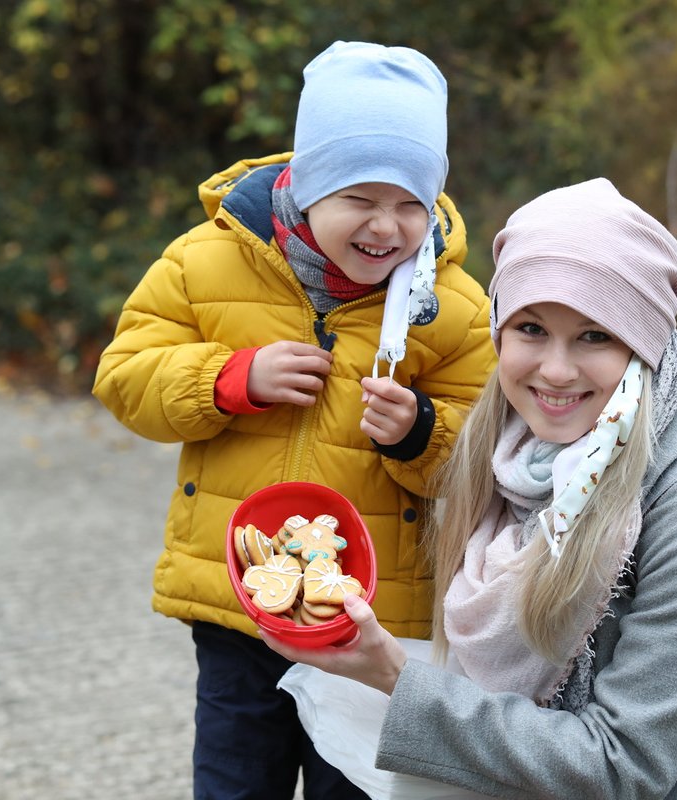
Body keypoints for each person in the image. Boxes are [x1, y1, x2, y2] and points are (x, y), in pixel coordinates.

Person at [263, 178, 677, 799]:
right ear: (498, 335)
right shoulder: (516, 463)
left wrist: (394, 677)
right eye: (531, 329)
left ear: (645, 349)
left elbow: (622, 768)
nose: (557, 369)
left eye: (595, 335)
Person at [92, 41, 496, 800]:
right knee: (236, 780)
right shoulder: (203, 263)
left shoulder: (453, 307)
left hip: (372, 616)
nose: (388, 226)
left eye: (411, 203)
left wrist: (419, 431)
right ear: (307, 184)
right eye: (360, 199)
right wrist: (229, 378)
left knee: (355, 783)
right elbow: (124, 375)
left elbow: (486, 453)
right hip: (239, 597)